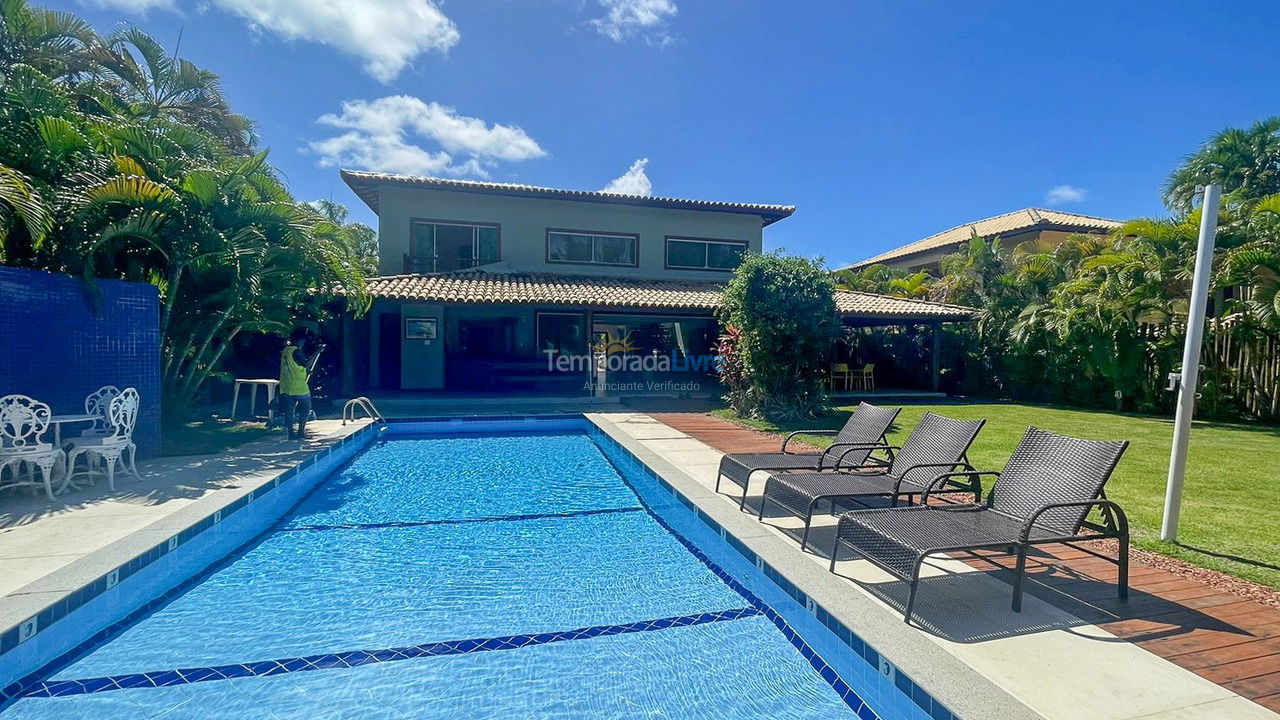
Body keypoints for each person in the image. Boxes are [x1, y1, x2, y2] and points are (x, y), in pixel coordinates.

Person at [279, 328, 318, 440]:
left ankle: (291, 433)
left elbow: (294, 366)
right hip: (298, 386)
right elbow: (305, 363)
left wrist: (306, 371)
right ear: (300, 340)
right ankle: (301, 432)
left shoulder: (286, 350)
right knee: (305, 407)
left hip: (286, 385)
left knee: (289, 410)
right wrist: (317, 352)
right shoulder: (296, 351)